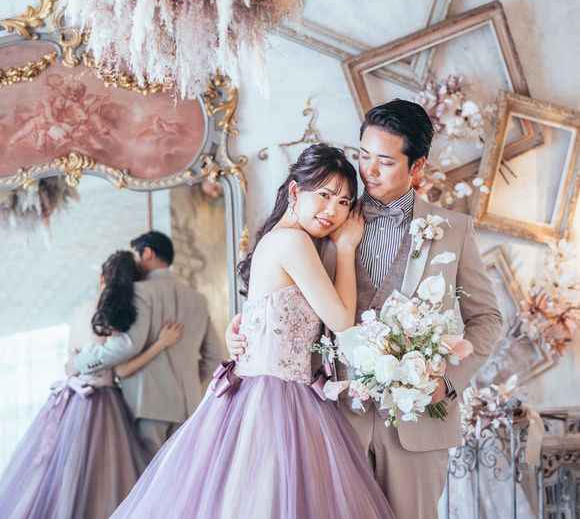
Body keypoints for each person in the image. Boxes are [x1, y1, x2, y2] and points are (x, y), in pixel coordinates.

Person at [227, 100, 503, 519]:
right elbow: (280, 297)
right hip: (333, 420)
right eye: (364, 155)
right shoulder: (325, 218)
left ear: (417, 166)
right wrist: (241, 331)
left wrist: (447, 381)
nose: (369, 171)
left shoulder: (454, 230)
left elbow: (487, 318)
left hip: (417, 425)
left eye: (385, 162)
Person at [111, 144, 395, 518]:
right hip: (277, 395)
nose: (333, 210)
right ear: (295, 191)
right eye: (325, 195)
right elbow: (342, 321)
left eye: (343, 202)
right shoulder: (293, 241)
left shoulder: (281, 239)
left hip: (271, 388)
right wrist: (346, 247)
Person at [0, 251, 183, 519]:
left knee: (64, 471)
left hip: (70, 397)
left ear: (101, 278)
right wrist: (160, 344)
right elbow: (122, 367)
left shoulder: (79, 312)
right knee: (103, 476)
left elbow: (73, 360)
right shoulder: (110, 317)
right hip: (99, 400)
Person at [67, 231, 222, 456]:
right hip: (190, 405)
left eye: (137, 256)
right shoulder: (197, 299)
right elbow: (214, 356)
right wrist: (188, 380)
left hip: (148, 404)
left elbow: (127, 345)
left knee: (150, 474)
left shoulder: (140, 292)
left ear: (147, 253)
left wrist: (79, 363)